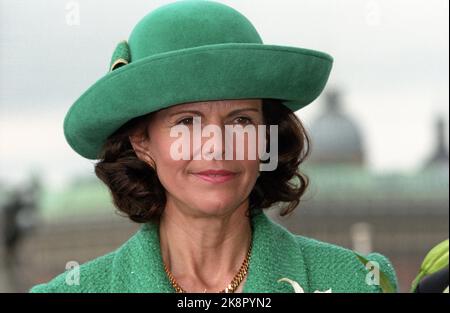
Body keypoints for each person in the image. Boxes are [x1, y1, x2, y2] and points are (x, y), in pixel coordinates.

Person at [30, 0, 397, 293]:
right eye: (186, 122)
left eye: (240, 121)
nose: (217, 147)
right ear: (142, 141)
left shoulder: (357, 282)